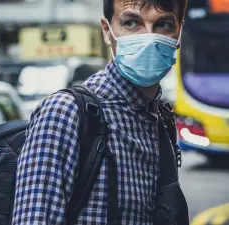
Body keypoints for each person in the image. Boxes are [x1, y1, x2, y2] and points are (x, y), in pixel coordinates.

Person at [12, 0, 188, 224]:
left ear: (179, 32)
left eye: (163, 24)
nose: (149, 38)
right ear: (107, 31)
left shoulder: (159, 118)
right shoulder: (66, 113)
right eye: (132, 22)